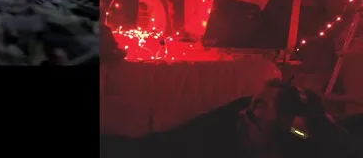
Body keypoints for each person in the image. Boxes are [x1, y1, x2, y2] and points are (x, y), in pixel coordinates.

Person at [99, 80, 358, 158]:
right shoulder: (233, 119)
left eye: (257, 110)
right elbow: (161, 144)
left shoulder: (301, 134)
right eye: (253, 105)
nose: (244, 114)